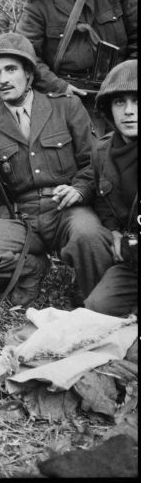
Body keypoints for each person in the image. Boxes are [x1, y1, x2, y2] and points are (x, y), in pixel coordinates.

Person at [0, 32, 113, 306]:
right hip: (24, 218)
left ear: (29, 72)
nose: (3, 79)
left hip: (66, 210)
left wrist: (80, 189)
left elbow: (94, 162)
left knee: (89, 236)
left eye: (11, 69)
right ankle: (35, 267)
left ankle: (97, 303)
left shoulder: (66, 107)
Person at [15, 0, 138, 136]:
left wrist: (129, 84)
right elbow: (25, 56)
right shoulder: (39, 6)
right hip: (71, 102)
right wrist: (60, 87)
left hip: (124, 96)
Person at [85, 60, 138, 316]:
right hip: (133, 262)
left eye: (138, 100)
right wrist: (115, 232)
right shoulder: (102, 151)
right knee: (97, 307)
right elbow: (102, 200)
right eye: (120, 102)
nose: (129, 111)